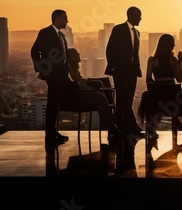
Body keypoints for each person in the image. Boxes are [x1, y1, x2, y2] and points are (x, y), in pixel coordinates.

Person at [31, 9, 78, 146]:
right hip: (52, 76)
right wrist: (42, 70)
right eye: (65, 18)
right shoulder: (45, 33)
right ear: (57, 18)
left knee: (55, 103)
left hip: (61, 76)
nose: (67, 21)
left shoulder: (62, 36)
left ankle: (53, 132)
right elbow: (34, 51)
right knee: (53, 104)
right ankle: (50, 134)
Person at [105, 6, 145, 138]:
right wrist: (114, 67)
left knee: (126, 99)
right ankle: (132, 126)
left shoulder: (137, 33)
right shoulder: (119, 29)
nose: (140, 18)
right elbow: (110, 49)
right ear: (132, 15)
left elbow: (135, 52)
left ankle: (120, 127)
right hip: (120, 71)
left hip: (132, 71)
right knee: (124, 98)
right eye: (139, 16)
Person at [142, 34, 182, 138]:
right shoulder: (173, 60)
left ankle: (152, 129)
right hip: (171, 98)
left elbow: (148, 79)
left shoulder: (152, 60)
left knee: (159, 106)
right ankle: (176, 121)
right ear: (170, 46)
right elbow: (179, 79)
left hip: (156, 97)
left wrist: (156, 87)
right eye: (173, 44)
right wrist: (180, 63)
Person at [66, 48, 117, 137]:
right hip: (80, 94)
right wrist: (89, 82)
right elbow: (76, 83)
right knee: (102, 100)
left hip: (83, 92)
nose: (79, 55)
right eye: (77, 54)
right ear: (73, 56)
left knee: (102, 98)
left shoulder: (74, 69)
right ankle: (112, 126)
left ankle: (112, 126)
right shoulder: (69, 69)